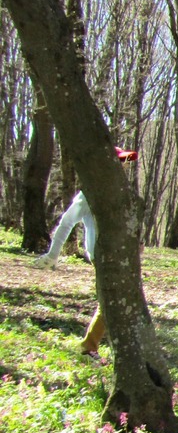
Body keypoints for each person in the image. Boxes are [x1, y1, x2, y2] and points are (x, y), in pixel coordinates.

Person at [31, 147, 138, 356]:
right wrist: (53, 255)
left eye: (125, 161)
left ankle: (95, 346)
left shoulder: (119, 190)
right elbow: (66, 222)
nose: (125, 165)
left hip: (121, 252)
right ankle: (89, 347)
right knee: (111, 299)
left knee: (117, 299)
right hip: (102, 254)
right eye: (121, 161)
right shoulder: (89, 192)